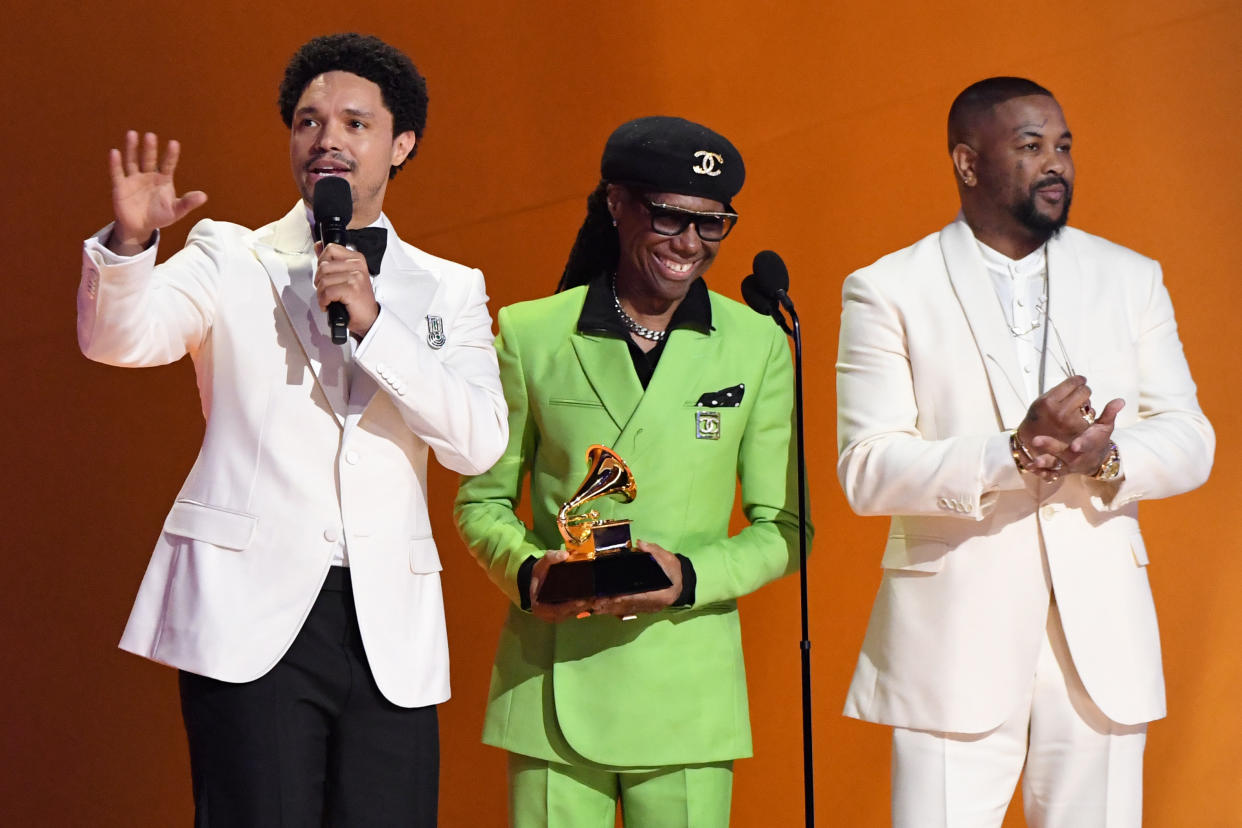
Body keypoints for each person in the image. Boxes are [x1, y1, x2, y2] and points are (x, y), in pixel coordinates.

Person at [77, 32, 507, 827]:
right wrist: (133, 245)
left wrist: (377, 326)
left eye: (354, 122)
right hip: (250, 612)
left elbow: (477, 442)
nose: (328, 140)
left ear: (400, 143)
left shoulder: (449, 288)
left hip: (388, 626)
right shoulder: (230, 255)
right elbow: (120, 340)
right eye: (308, 122)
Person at [836, 76, 1215, 827]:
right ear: (967, 163)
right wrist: (1009, 453)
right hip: (949, 643)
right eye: (1031, 146)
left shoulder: (1130, 279)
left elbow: (1190, 438)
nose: (1057, 164)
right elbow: (866, 467)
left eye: (1065, 146)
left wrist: (1104, 459)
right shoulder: (887, 288)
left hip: (1100, 646)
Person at [454, 115, 807, 827]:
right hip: (553, 685)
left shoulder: (759, 343)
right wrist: (529, 574)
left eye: (713, 225)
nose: (690, 244)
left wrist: (691, 577)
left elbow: (785, 528)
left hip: (688, 691)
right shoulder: (529, 333)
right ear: (616, 204)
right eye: (670, 216)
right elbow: (483, 502)